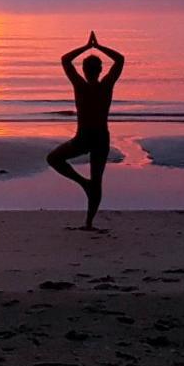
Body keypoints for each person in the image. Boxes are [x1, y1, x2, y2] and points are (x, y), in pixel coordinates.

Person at [47, 31, 124, 230]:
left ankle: (84, 185)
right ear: (100, 70)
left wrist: (86, 47)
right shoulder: (106, 85)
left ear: (85, 70)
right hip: (99, 138)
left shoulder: (80, 85)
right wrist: (98, 47)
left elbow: (65, 60)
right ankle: (88, 221)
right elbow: (120, 60)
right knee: (96, 180)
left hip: (84, 138)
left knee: (54, 159)